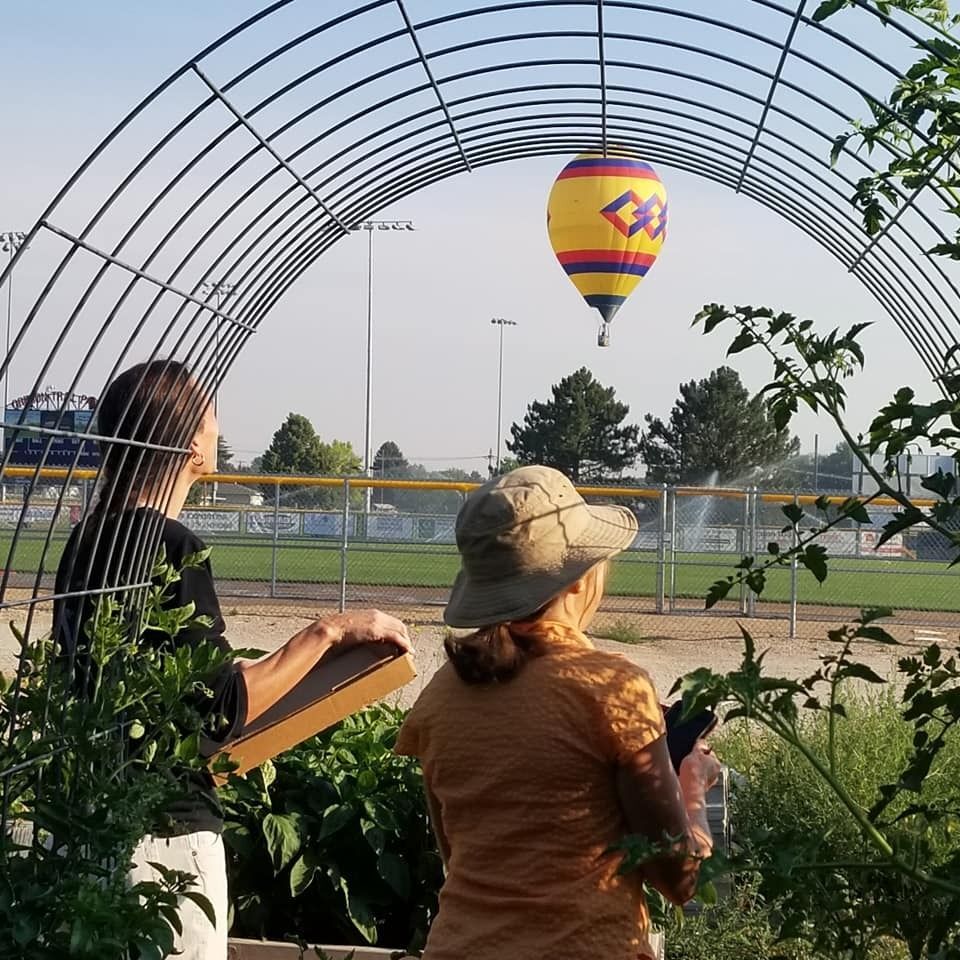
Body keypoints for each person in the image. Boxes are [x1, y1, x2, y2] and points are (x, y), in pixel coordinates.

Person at [53, 359, 410, 960]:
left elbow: (168, 686)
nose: (221, 429)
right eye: (213, 416)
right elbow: (218, 710)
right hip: (165, 844)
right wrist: (327, 633)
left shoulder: (89, 540)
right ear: (190, 442)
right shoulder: (174, 545)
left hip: (93, 824)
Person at [395, 465, 720, 960]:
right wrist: (692, 786)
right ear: (575, 579)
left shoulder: (440, 696)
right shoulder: (612, 688)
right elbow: (680, 877)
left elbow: (457, 856)